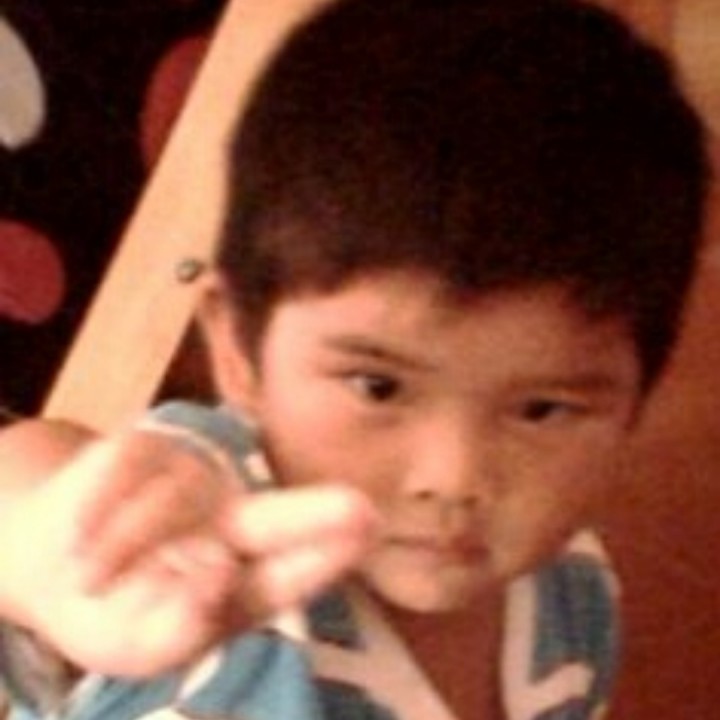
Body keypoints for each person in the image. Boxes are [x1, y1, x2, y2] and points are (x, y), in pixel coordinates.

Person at [0, 0, 710, 719]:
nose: (453, 479)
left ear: (637, 400)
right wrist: (51, 554)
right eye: (377, 387)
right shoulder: (216, 526)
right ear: (237, 350)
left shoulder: (574, 596)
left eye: (541, 409)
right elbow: (30, 482)